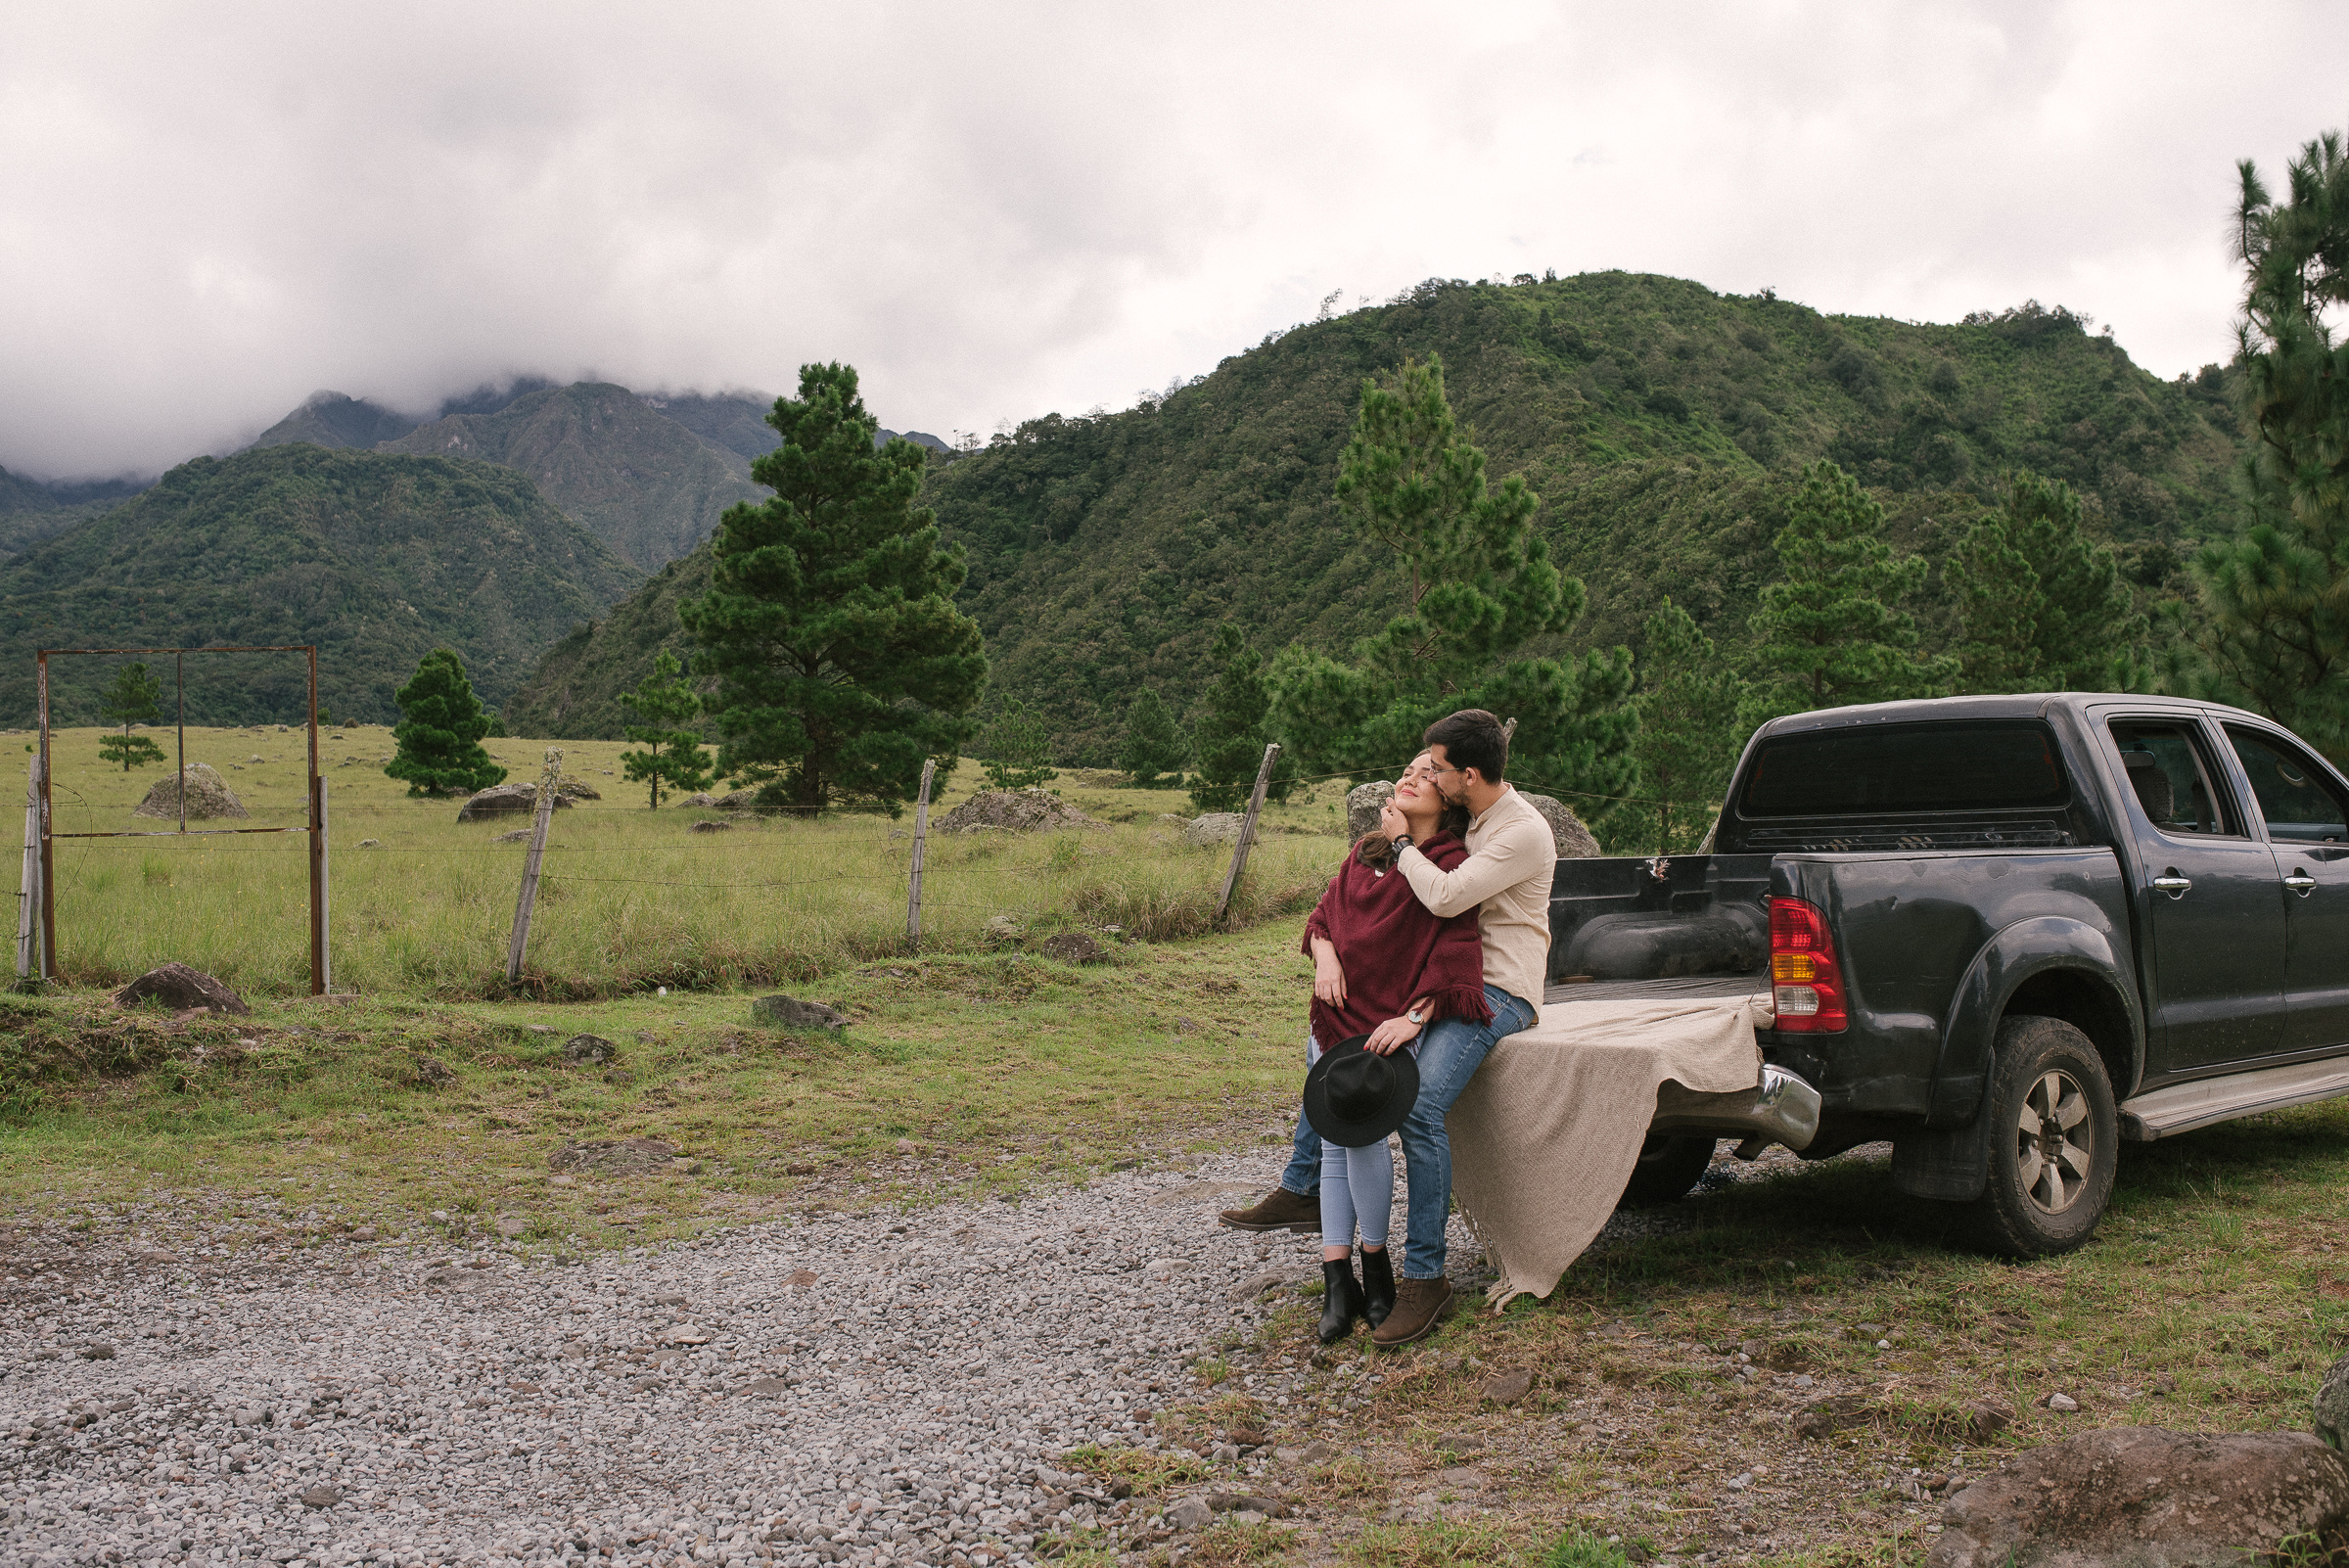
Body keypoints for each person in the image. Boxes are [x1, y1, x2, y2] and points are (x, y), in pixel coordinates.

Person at [1366, 709, 1555, 1347]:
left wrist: (1400, 847)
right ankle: (1319, 1207)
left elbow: (1447, 897)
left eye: (1438, 769)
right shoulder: (1475, 816)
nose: (1431, 776)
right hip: (1449, 985)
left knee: (1418, 1107)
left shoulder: (1520, 832)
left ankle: (1425, 1276)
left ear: (1468, 775)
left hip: (1498, 991)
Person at [1293, 757, 1483, 1343]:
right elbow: (1324, 916)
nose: (1409, 778)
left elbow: (1455, 952)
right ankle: (1336, 1278)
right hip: (1334, 1018)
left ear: (1448, 797)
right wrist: (1324, 955)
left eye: (1426, 775)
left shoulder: (1450, 866)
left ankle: (1376, 1273)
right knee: (1333, 1140)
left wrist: (1415, 1015)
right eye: (1407, 770)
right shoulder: (1367, 852)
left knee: (1364, 1136)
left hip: (1387, 1024)